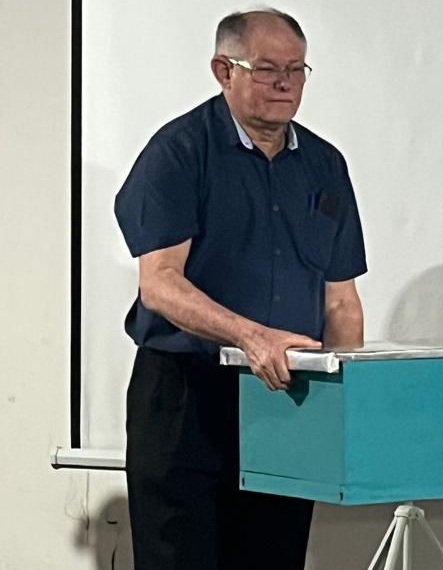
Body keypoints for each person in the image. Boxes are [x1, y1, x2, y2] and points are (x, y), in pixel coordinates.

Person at [113, 8, 366, 570]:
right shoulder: (179, 151)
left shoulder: (325, 165)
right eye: (267, 69)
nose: (284, 83)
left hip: (286, 398)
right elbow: (159, 284)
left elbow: (341, 301)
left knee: (274, 555)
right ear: (223, 70)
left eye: (296, 70)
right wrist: (251, 337)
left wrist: (344, 405)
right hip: (186, 396)